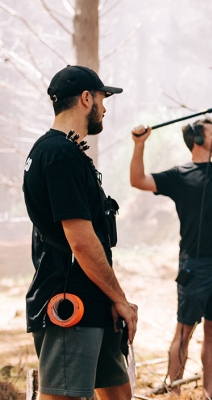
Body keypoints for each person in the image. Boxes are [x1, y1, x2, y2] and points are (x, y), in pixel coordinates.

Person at [129, 93, 212, 400]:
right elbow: (137, 179)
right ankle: (175, 392)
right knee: (185, 331)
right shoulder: (179, 176)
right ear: (199, 139)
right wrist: (140, 144)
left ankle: (208, 393)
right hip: (194, 264)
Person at [23, 65, 138, 400]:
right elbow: (81, 242)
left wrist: (111, 299)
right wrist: (121, 298)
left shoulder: (66, 152)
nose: (105, 107)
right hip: (70, 306)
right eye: (102, 99)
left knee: (118, 395)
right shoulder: (59, 155)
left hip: (92, 301)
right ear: (87, 98)